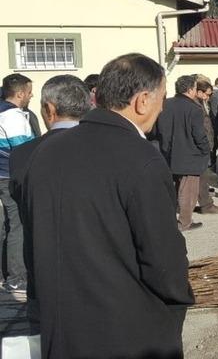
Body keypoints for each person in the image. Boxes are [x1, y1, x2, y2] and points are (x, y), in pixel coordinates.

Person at [25, 53, 193, 358]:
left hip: (62, 326)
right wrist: (179, 299)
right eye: (162, 98)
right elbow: (162, 259)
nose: (163, 107)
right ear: (142, 101)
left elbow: (33, 244)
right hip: (127, 331)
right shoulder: (142, 158)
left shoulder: (46, 152)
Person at [9, 75, 89, 334]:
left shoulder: (23, 155)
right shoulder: (112, 150)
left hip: (44, 275)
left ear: (49, 109)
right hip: (98, 278)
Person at [152, 75, 212, 231]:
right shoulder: (194, 109)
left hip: (168, 152)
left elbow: (156, 129)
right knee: (188, 192)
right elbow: (199, 134)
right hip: (189, 155)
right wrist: (206, 149)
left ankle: (170, 218)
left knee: (173, 189)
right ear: (191, 89)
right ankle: (185, 222)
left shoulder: (166, 104)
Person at [0, 73, 35, 293]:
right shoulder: (14, 117)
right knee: (18, 225)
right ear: (20, 93)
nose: (31, 96)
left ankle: (6, 272)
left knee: (5, 225)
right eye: (30, 92)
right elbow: (25, 152)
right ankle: (16, 277)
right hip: (9, 177)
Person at [193, 78, 218, 215]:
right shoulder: (195, 106)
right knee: (202, 177)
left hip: (205, 144)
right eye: (207, 94)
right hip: (200, 146)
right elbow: (200, 128)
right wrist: (206, 144)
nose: (209, 97)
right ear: (199, 92)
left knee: (202, 177)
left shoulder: (201, 103)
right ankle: (206, 205)